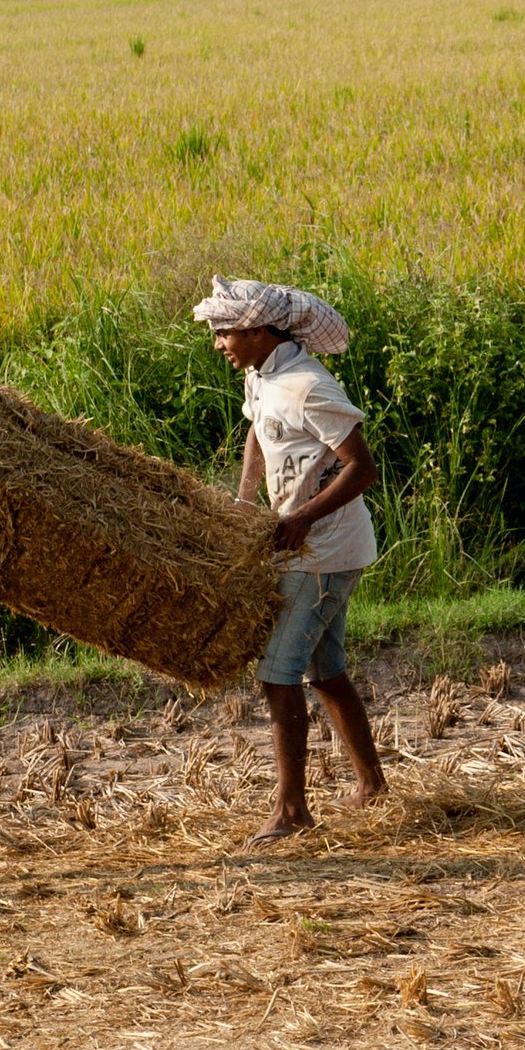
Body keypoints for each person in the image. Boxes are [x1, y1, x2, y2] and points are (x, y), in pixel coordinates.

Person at [193, 276, 389, 844]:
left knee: (278, 673)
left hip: (323, 552)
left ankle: (292, 811)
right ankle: (372, 787)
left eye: (224, 332)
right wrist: (245, 499)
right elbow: (259, 430)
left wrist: (301, 517)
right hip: (304, 547)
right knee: (324, 670)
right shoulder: (262, 376)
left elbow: (361, 467)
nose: (218, 344)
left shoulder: (309, 386)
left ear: (258, 330)